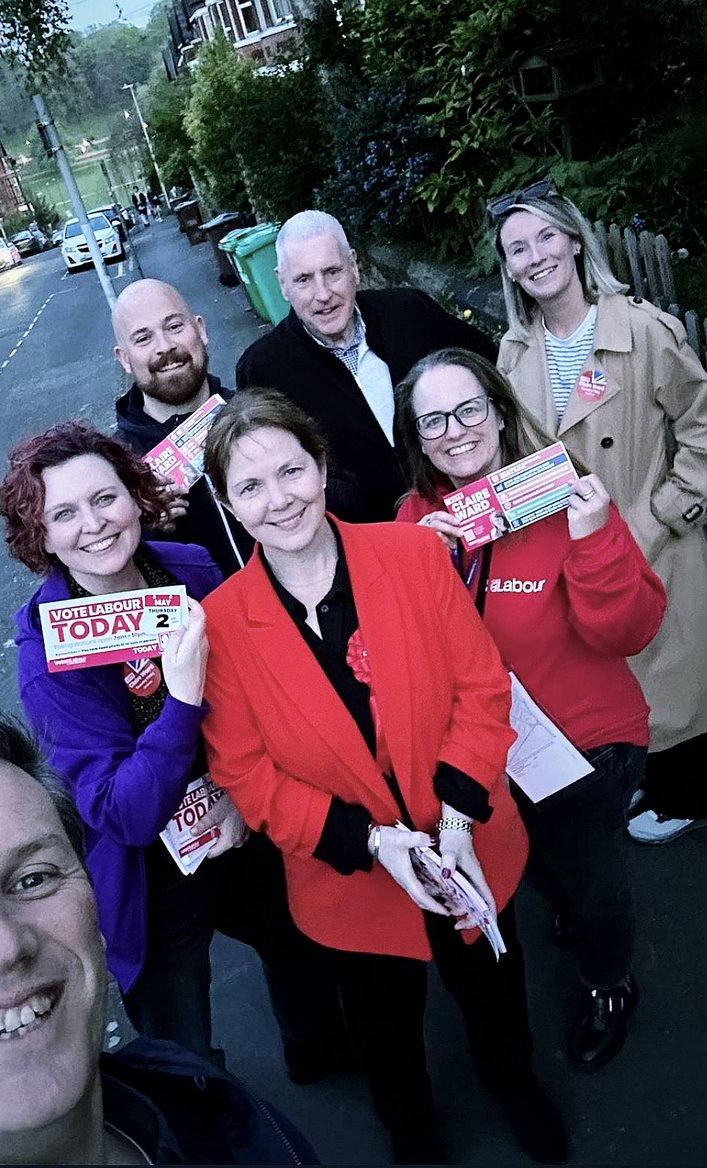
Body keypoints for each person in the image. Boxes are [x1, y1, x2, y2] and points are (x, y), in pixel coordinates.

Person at [200, 388, 568, 1165]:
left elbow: (480, 686)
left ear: (322, 465)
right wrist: (372, 843)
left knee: (495, 994)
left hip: (469, 843)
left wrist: (458, 820)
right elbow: (244, 770)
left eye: (291, 471)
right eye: (250, 487)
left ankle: (514, 1084)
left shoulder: (408, 556)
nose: (279, 499)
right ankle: (411, 1129)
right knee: (384, 1030)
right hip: (352, 880)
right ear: (229, 504)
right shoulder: (223, 625)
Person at [0, 420, 349, 1082]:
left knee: (297, 945)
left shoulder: (188, 569)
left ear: (136, 497)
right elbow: (119, 813)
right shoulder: (49, 655)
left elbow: (257, 696)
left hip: (239, 821)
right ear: (39, 536)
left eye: (105, 498)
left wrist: (242, 797)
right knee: (182, 1044)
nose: (94, 524)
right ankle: (207, 1129)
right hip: (150, 871)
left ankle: (319, 1051)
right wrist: (182, 703)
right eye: (63, 514)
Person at [0, 713, 317, 1166]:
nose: (1, 949)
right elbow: (122, 807)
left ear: (93, 901)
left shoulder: (210, 1100)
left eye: (33, 880)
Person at [394, 347, 666, 1070]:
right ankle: (570, 909)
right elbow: (397, 658)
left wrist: (597, 540)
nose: (453, 432)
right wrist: (411, 572)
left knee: (596, 888)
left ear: (498, 408)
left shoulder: (566, 496)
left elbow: (629, 632)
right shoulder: (415, 519)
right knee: (538, 871)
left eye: (467, 409)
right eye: (432, 422)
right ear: (415, 439)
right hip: (484, 754)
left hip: (585, 747)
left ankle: (610, 983)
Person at [489, 180, 707, 844]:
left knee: (673, 684)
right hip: (573, 554)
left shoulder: (640, 330)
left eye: (545, 237)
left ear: (575, 241)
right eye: (516, 249)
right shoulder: (511, 351)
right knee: (617, 681)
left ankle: (684, 796)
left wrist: (664, 510)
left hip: (651, 539)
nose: (534, 258)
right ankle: (647, 772)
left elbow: (700, 426)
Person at [235, 209, 497, 523]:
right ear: (282, 284)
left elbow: (492, 370)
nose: (323, 294)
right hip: (367, 543)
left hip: (469, 513)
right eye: (303, 279)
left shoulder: (410, 312)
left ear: (354, 267)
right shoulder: (263, 370)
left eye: (332, 272)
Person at [114, 278, 253, 576]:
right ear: (124, 359)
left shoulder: (259, 416)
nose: (164, 347)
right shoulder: (117, 469)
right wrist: (147, 527)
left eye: (175, 326)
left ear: (201, 329)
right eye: (143, 338)